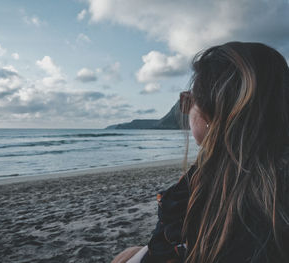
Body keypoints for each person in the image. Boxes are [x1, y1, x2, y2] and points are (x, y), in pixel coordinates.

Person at [111, 41, 289, 263]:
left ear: (214, 114)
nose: (187, 111)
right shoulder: (272, 183)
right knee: (128, 253)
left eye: (189, 101)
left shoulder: (208, 194)